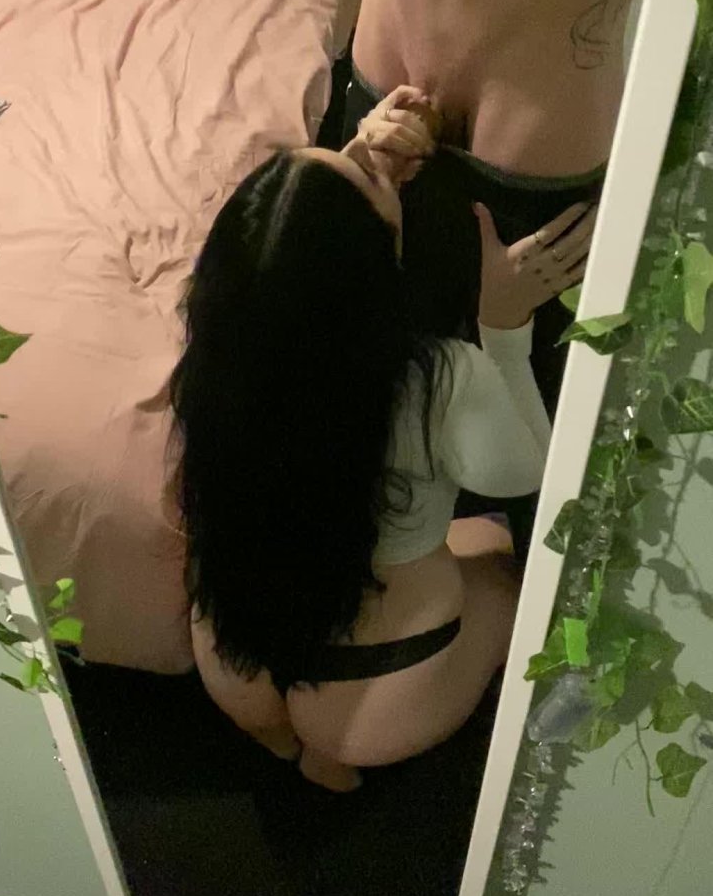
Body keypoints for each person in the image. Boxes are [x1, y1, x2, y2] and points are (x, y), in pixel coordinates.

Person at [274, 0, 677, 545]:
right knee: (361, 374)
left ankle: (492, 598)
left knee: (539, 431)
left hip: (546, 65)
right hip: (394, 33)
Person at [169, 90, 592, 791]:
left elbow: (300, 252)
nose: (366, 156)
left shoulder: (216, 355)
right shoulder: (436, 379)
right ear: (370, 268)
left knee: (281, 701)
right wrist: (504, 324)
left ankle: (280, 739)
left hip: (236, 653)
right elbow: (525, 472)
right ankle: (333, 752)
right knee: (495, 553)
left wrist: (356, 175)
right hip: (376, 692)